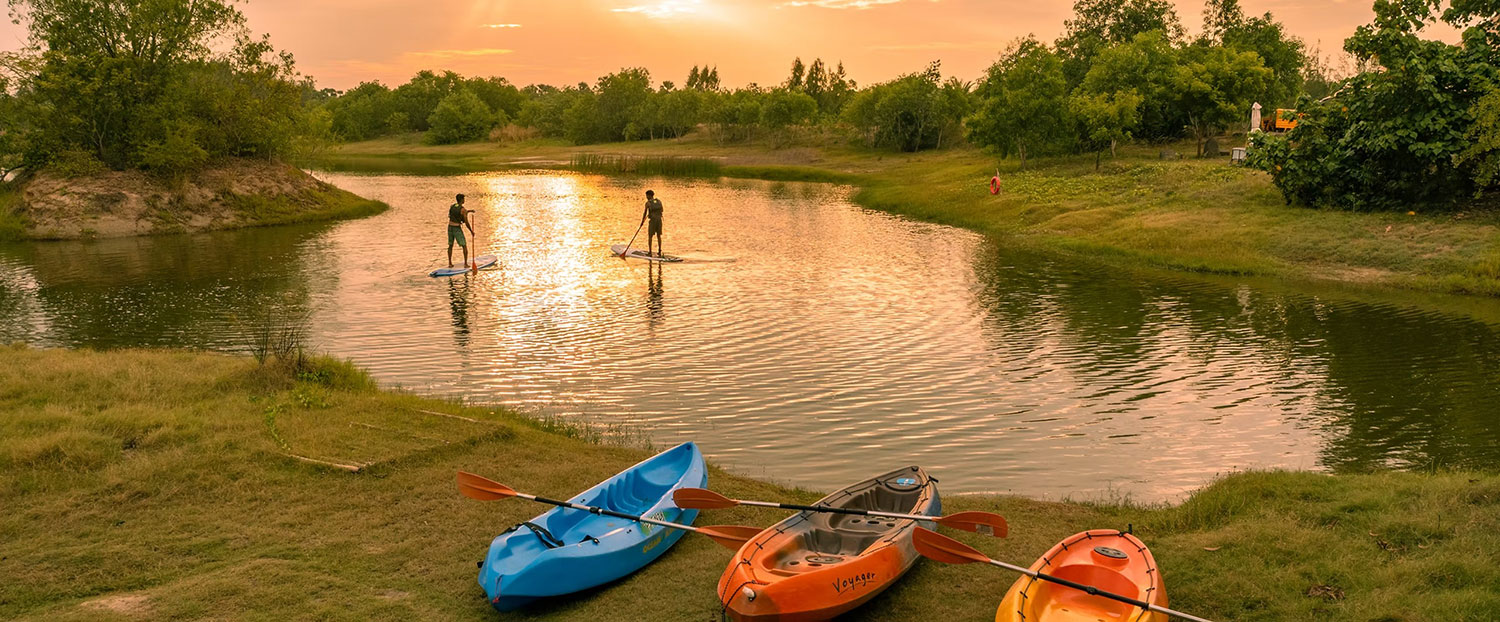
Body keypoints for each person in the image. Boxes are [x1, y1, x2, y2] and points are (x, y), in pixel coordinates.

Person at [447, 193, 474, 268]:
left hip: (450, 227)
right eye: (464, 199)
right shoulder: (463, 210)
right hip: (456, 229)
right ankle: (465, 264)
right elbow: (466, 222)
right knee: (464, 245)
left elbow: (458, 212)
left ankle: (450, 263)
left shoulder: (452, 206)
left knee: (450, 245)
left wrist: (469, 211)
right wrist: (471, 231)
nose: (464, 200)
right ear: (462, 200)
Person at [639, 189, 664, 257]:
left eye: (647, 195)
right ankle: (659, 251)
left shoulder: (648, 203)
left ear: (649, 195)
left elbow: (645, 213)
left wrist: (642, 222)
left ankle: (650, 252)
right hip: (659, 220)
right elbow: (662, 210)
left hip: (653, 221)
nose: (646, 197)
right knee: (658, 236)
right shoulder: (658, 201)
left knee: (650, 236)